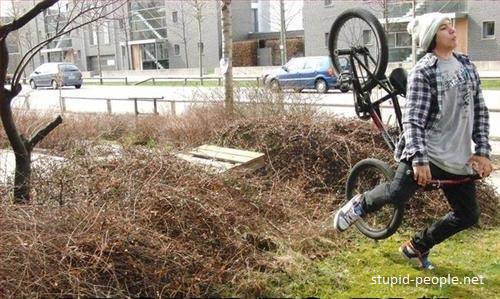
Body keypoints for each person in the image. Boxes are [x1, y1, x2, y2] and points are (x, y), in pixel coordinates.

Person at [332, 12, 493, 270]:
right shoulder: (423, 72)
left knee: (468, 215)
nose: (452, 31)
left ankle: (416, 246)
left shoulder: (466, 66)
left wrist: (483, 151)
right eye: (444, 28)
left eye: (450, 26)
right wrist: (419, 160)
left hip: (457, 156)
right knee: (397, 193)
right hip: (426, 152)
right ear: (432, 38)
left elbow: (480, 111)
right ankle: (359, 205)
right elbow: (413, 120)